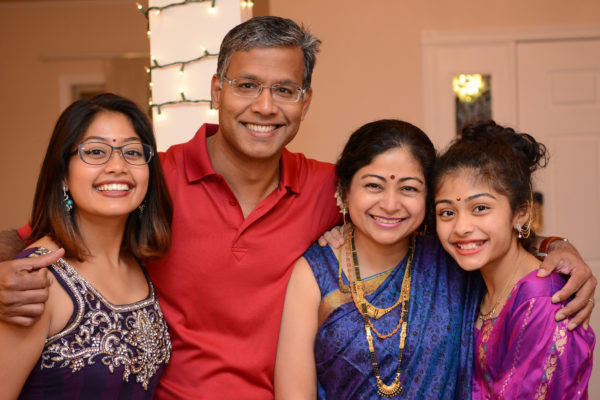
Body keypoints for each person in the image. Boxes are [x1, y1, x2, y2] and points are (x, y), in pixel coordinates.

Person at [0, 17, 595, 400]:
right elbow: (53, 231)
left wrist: (550, 248)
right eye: (247, 85)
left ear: (305, 100)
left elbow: (458, 223)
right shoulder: (152, 179)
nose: (265, 106)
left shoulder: (330, 191)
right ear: (216, 90)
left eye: (284, 89)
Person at [0, 93, 173, 399]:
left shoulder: (140, 266)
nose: (117, 165)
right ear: (63, 175)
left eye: (132, 153)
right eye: (95, 151)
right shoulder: (34, 281)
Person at [433, 120, 595, 399]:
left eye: (480, 208)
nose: (461, 227)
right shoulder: (476, 283)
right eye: (447, 212)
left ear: (520, 213)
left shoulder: (543, 300)